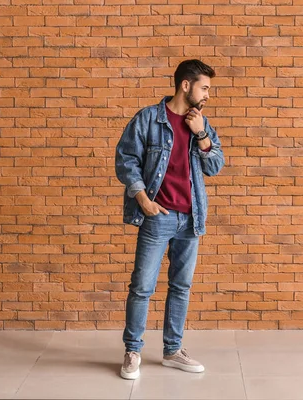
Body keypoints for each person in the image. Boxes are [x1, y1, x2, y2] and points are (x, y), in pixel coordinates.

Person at [114, 59, 225, 379]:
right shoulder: (148, 119)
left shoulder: (201, 123)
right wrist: (143, 200)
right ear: (185, 85)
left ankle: (172, 350)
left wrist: (201, 132)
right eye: (204, 88)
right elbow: (126, 160)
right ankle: (133, 350)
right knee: (142, 287)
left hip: (191, 219)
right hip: (158, 216)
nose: (208, 95)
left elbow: (215, 166)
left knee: (181, 286)